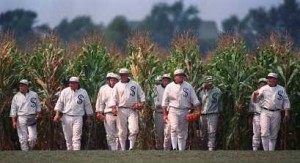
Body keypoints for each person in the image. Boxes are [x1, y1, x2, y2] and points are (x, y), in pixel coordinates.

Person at [162, 69, 201, 151]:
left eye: (182, 75)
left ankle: (181, 150)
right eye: (179, 75)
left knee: (183, 132)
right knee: (174, 128)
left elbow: (195, 100)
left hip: (185, 110)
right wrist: (165, 114)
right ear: (175, 77)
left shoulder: (188, 86)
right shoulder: (169, 87)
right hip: (173, 110)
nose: (181, 77)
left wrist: (198, 110)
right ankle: (175, 148)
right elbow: (164, 102)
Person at [109, 68, 145, 150]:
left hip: (133, 109)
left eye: (124, 74)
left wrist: (141, 103)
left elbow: (142, 96)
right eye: (121, 75)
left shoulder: (135, 84)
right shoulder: (117, 86)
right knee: (121, 131)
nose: (123, 76)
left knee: (134, 129)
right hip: (121, 109)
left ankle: (131, 147)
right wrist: (113, 107)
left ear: (128, 75)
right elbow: (113, 98)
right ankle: (123, 149)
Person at [253, 73, 290, 151]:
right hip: (265, 112)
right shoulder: (263, 88)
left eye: (272, 78)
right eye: (269, 78)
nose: (270, 80)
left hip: (276, 112)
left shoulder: (281, 89)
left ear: (276, 80)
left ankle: (271, 151)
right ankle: (266, 151)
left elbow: (286, 101)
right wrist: (255, 95)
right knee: (264, 132)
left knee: (273, 134)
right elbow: (255, 101)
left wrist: (286, 113)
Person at [53, 76, 93, 150]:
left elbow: (87, 105)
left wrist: (89, 117)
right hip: (66, 116)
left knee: (76, 138)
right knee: (68, 138)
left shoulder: (83, 92)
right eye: (70, 83)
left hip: (78, 117)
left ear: (77, 84)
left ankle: (76, 153)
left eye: (73, 83)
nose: (71, 85)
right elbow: (60, 103)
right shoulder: (65, 91)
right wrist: (57, 114)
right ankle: (70, 154)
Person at [10, 79, 41, 151]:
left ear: (27, 86)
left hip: (31, 117)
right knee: (23, 138)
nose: (21, 87)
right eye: (20, 86)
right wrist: (14, 121)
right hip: (21, 118)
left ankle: (30, 149)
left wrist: (38, 114)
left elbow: (38, 106)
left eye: (22, 85)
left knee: (33, 137)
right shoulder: (16, 96)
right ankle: (25, 153)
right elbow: (13, 110)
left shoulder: (34, 94)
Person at [95, 72, 120, 150]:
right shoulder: (103, 89)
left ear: (117, 80)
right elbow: (100, 102)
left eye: (114, 80)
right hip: (108, 113)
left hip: (120, 112)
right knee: (110, 133)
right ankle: (113, 149)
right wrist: (99, 113)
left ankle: (120, 149)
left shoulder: (121, 87)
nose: (112, 82)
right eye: (111, 80)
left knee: (120, 132)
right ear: (108, 80)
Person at [197, 76, 222, 151]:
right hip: (202, 114)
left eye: (210, 82)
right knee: (202, 132)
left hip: (213, 113)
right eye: (207, 83)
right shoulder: (200, 91)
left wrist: (220, 113)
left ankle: (210, 147)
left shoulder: (217, 91)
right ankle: (203, 147)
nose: (209, 84)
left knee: (212, 132)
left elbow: (220, 103)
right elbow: (197, 102)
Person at [153, 73, 172, 150]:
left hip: (169, 113)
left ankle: (167, 148)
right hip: (159, 113)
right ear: (162, 80)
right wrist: (163, 106)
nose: (166, 81)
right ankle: (159, 148)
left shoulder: (172, 88)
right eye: (164, 80)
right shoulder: (156, 88)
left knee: (168, 132)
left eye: (167, 80)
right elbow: (155, 102)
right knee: (159, 132)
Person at [249, 78, 267, 151]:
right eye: (261, 83)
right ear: (259, 84)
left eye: (264, 83)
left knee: (266, 133)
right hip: (257, 115)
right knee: (256, 133)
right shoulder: (254, 93)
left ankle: (266, 149)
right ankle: (255, 148)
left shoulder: (269, 93)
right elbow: (251, 105)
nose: (262, 84)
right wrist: (250, 116)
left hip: (266, 115)